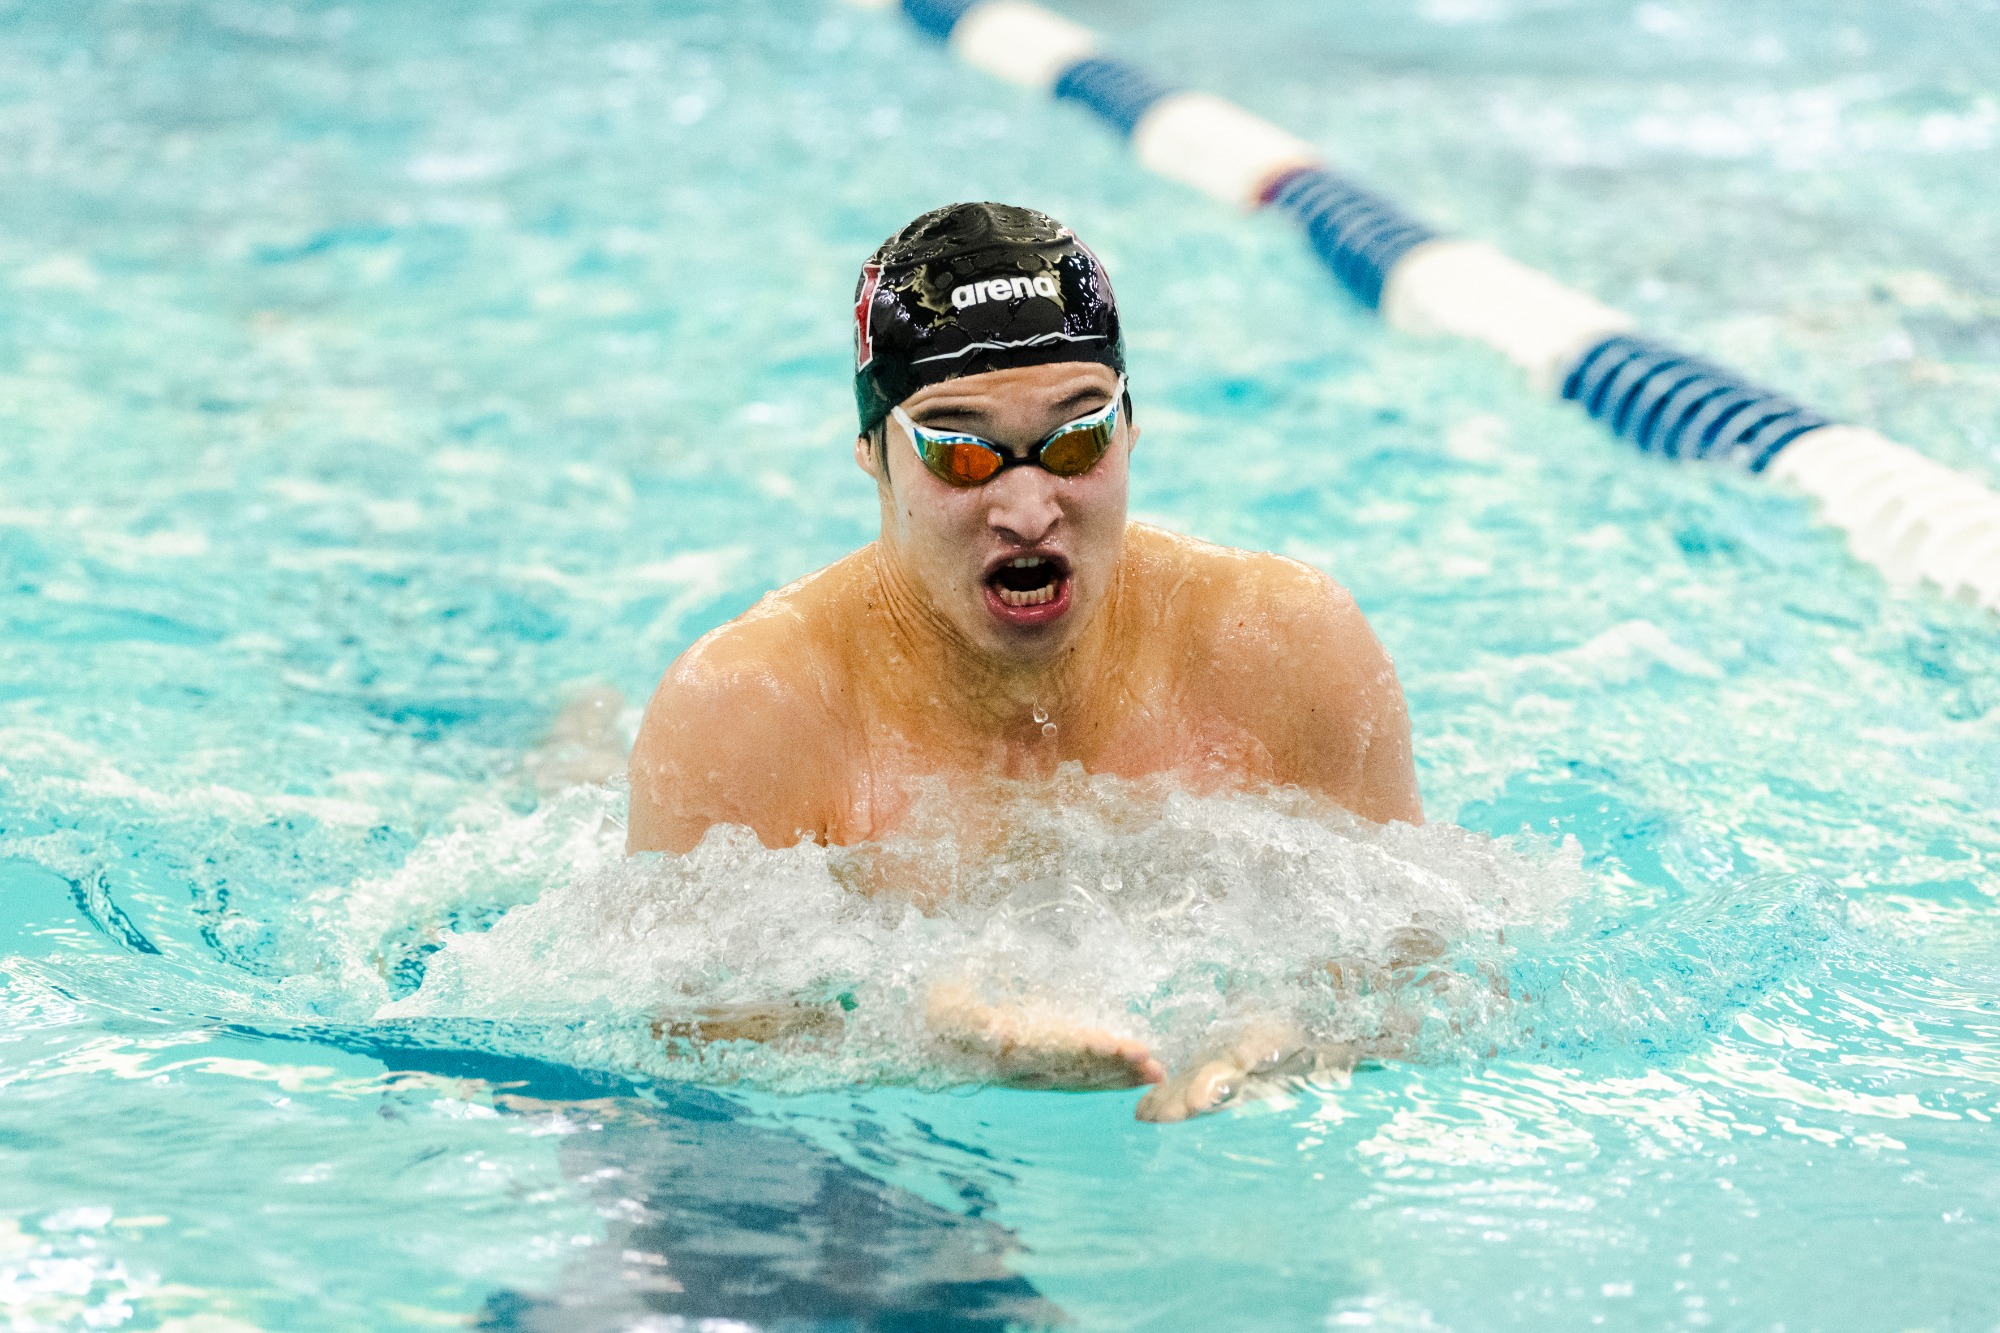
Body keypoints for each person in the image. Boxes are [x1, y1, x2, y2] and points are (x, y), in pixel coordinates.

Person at [627, 202, 1422, 1120]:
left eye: (1077, 439)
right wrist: (919, 1036)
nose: (1030, 508)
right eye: (962, 453)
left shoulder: (1284, 646)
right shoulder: (749, 710)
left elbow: (1437, 959)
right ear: (873, 458)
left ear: (1132, 432)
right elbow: (681, 1048)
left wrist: (1311, 1025)